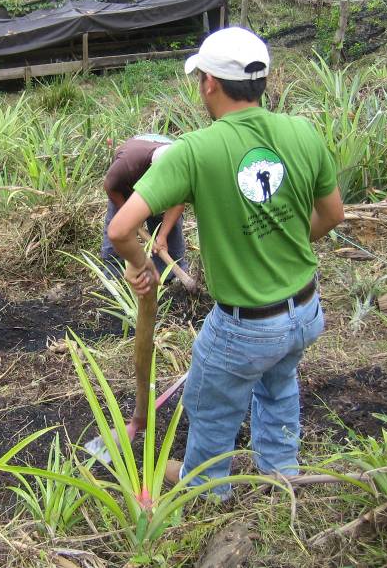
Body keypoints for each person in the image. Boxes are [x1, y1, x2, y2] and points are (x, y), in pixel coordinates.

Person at [107, 27, 345, 499]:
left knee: (209, 401)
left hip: (246, 327)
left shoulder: (196, 149)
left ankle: (208, 485)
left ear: (210, 83)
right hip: (305, 310)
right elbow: (333, 214)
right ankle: (281, 472)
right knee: (279, 386)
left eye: (201, 80)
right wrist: (281, 243)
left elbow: (120, 229)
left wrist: (142, 267)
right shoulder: (301, 132)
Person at [101, 134, 188, 279]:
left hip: (160, 147)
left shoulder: (177, 166)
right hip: (126, 185)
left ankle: (168, 274)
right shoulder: (127, 165)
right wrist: (129, 217)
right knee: (119, 226)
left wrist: (162, 236)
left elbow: (177, 203)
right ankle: (113, 272)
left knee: (166, 230)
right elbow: (110, 187)